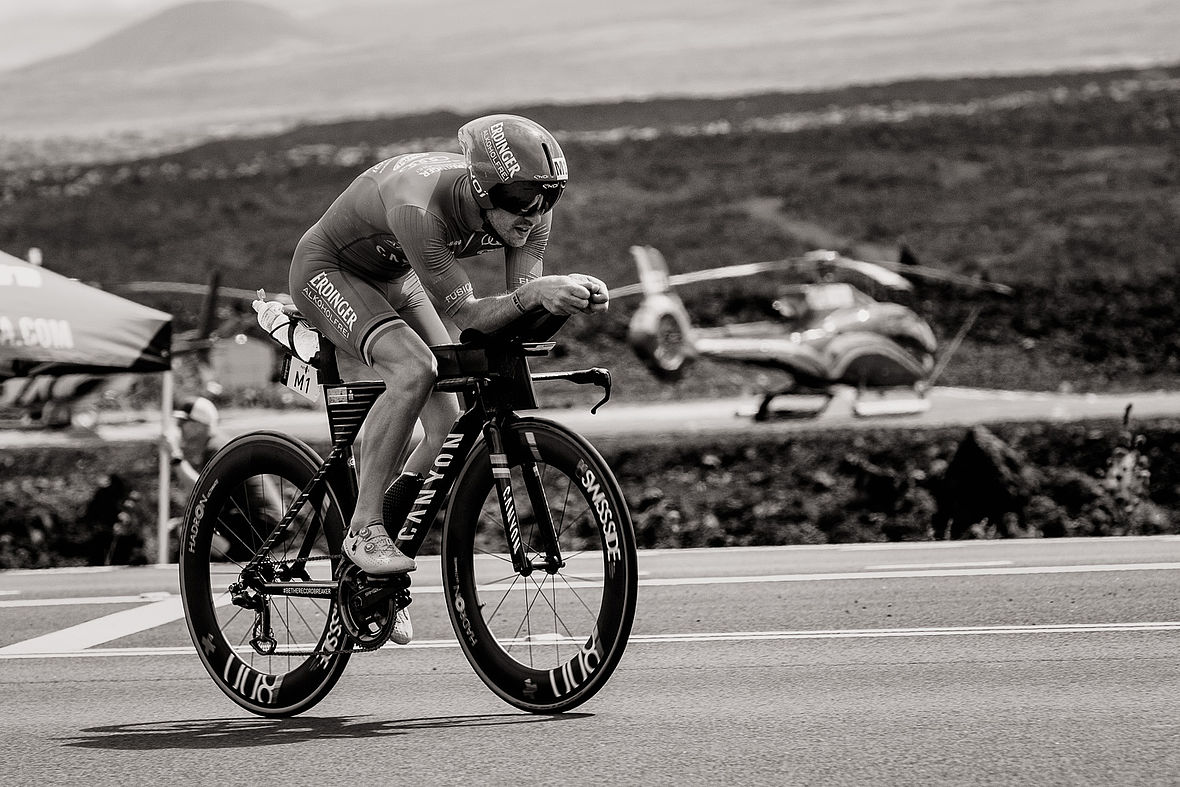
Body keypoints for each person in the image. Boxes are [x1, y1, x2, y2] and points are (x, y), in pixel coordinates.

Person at [286, 114, 609, 644]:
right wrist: (535, 293)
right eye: (524, 201)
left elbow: (513, 318)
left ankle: (375, 565)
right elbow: (476, 318)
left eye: (548, 199)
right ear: (484, 191)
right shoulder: (422, 208)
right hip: (328, 269)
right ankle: (364, 528)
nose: (535, 215)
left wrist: (567, 299)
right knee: (414, 370)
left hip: (396, 275)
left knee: (447, 425)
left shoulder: (530, 210)